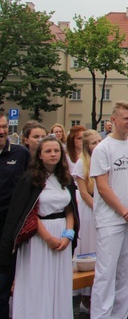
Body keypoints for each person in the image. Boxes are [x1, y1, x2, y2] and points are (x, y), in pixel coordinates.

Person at [0, 136, 79, 319]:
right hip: (37, 239)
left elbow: (70, 209)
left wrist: (68, 234)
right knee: (37, 282)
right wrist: (48, 238)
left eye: (56, 151)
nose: (53, 155)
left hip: (62, 236)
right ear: (40, 155)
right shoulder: (29, 180)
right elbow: (27, 213)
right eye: (48, 151)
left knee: (58, 283)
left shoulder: (65, 179)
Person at [89, 102, 128, 319]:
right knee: (106, 273)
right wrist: (124, 210)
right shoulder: (102, 148)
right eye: (125, 118)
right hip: (110, 219)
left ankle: (120, 315)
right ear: (113, 120)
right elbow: (103, 187)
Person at [0, 112, 31, 319]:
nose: (3, 131)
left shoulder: (20, 153)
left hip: (9, 229)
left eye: (4, 126)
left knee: (3, 286)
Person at [72, 129, 102, 314]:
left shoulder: (104, 160)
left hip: (102, 208)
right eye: (94, 143)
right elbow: (84, 193)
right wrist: (97, 209)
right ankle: (85, 297)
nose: (98, 145)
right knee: (89, 249)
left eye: (100, 141)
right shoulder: (81, 164)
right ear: (86, 146)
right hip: (89, 209)